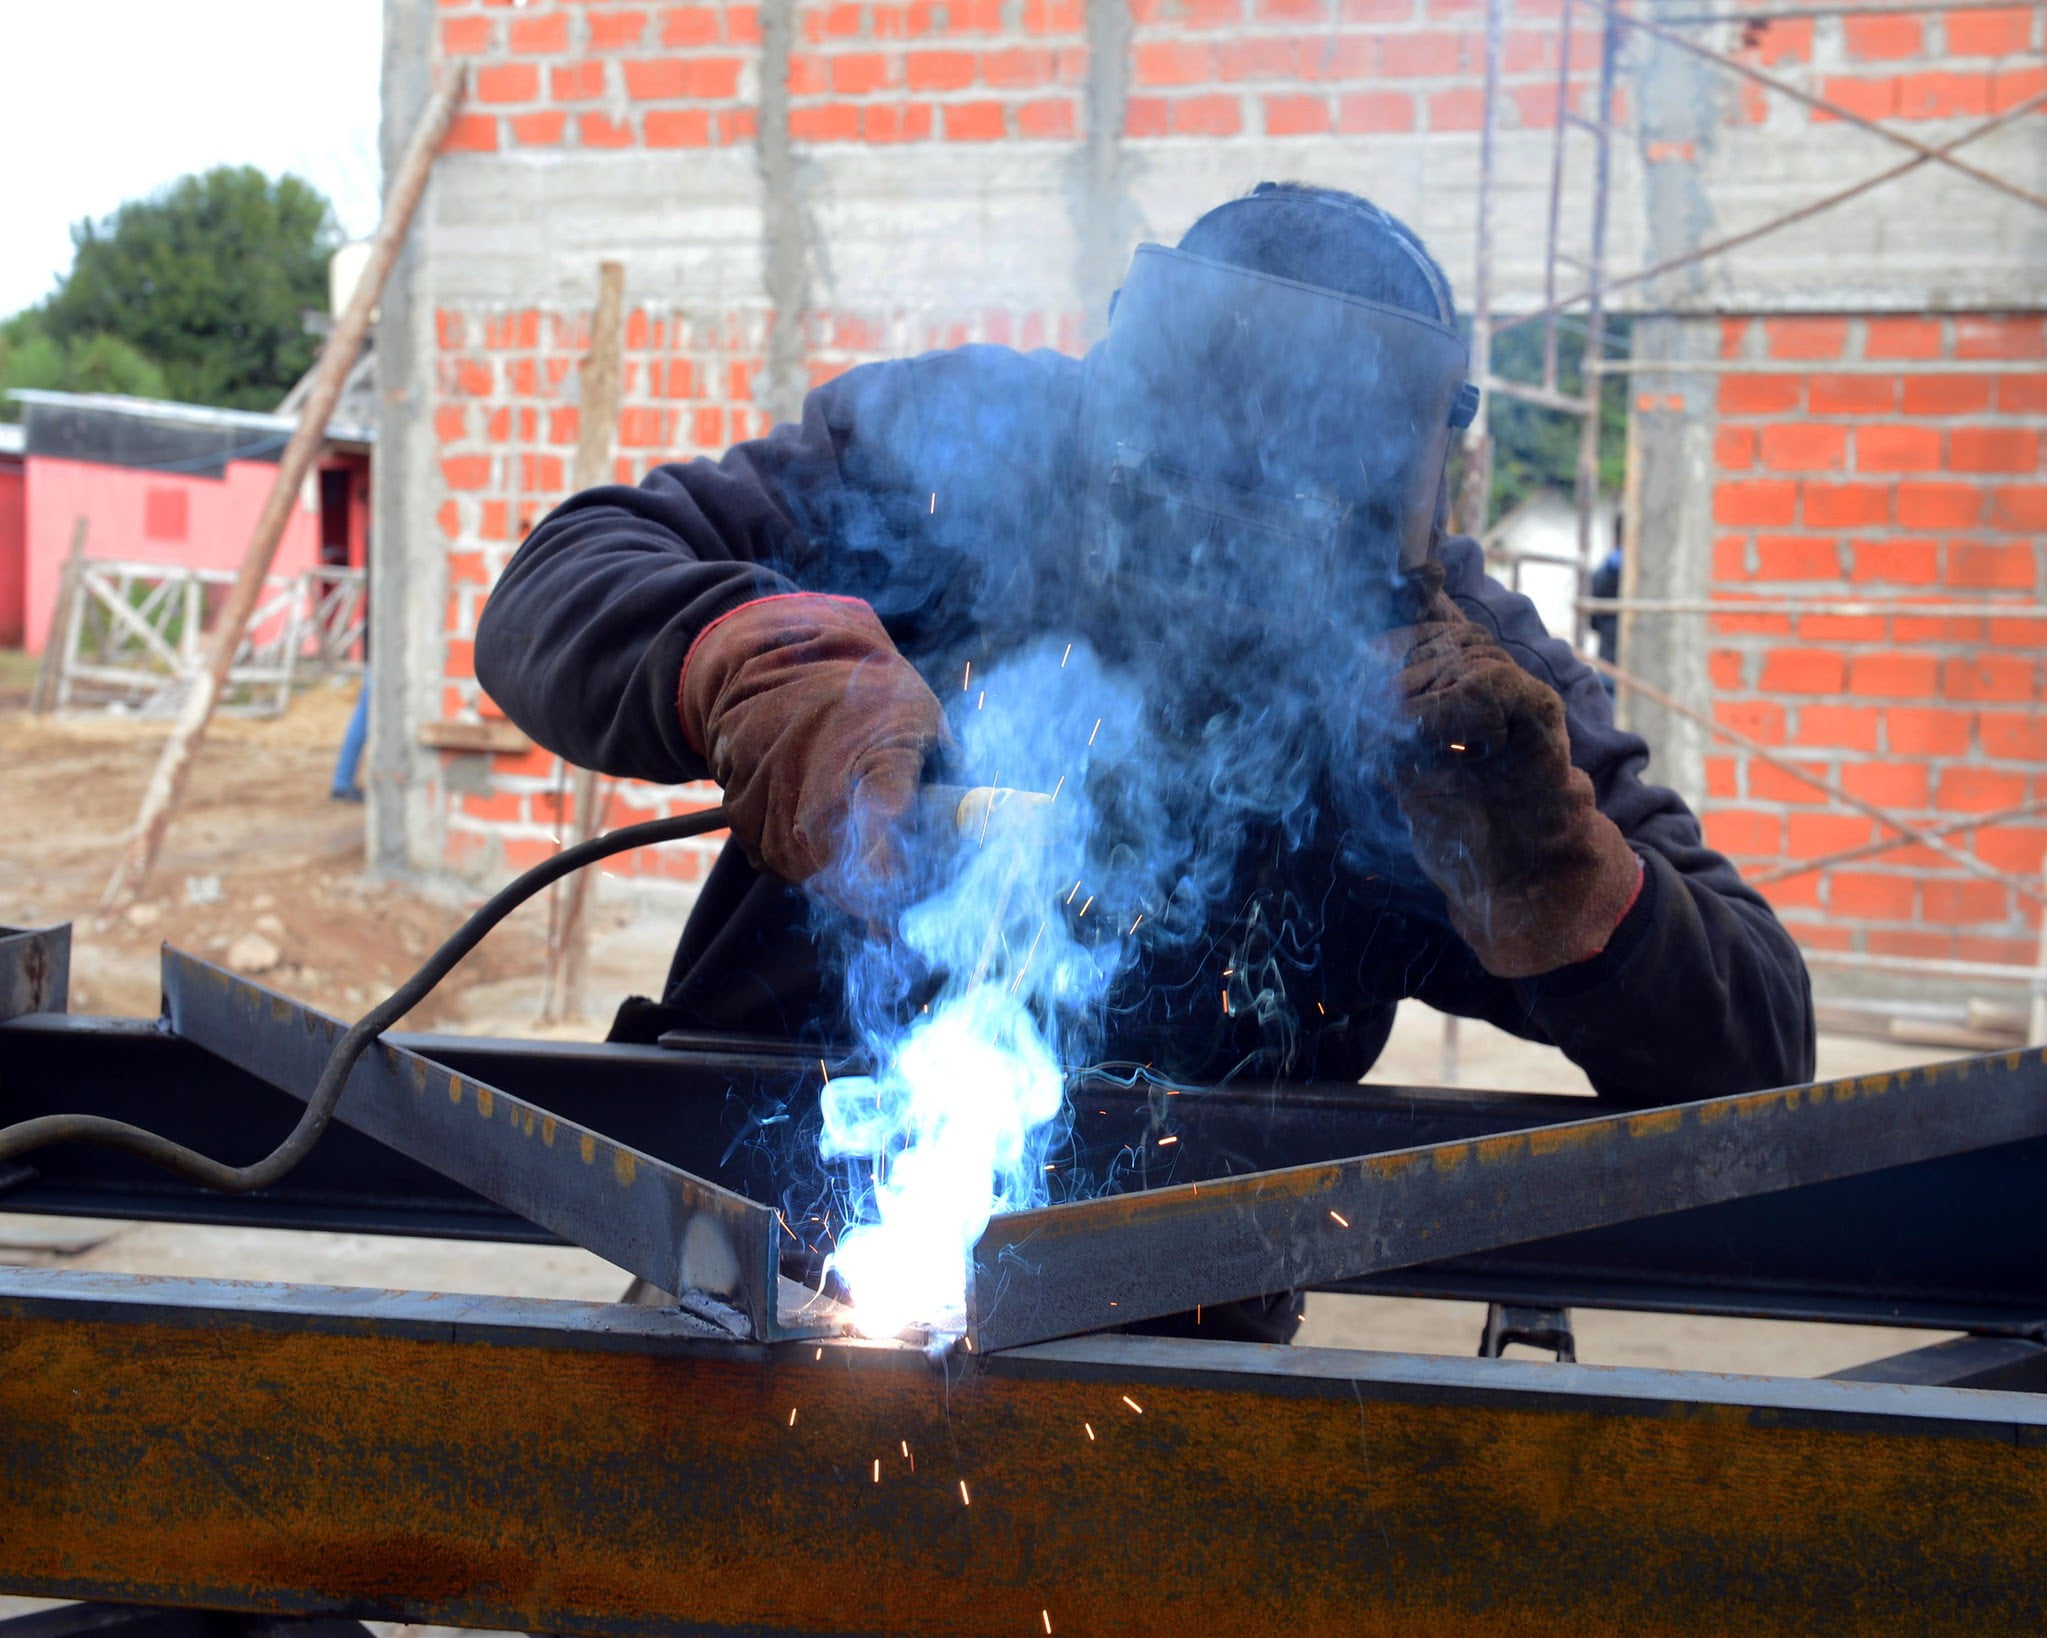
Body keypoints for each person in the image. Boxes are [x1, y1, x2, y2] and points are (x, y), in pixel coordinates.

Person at [477, 182, 1813, 1118]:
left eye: (1273, 536)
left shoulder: (1454, 691)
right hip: (761, 1194)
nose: (1208, 569)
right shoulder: (965, 453)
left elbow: (1759, 1041)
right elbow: (562, 579)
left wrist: (1557, 873)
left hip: (1165, 1320)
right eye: (1173, 500)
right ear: (1114, 398)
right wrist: (754, 669)